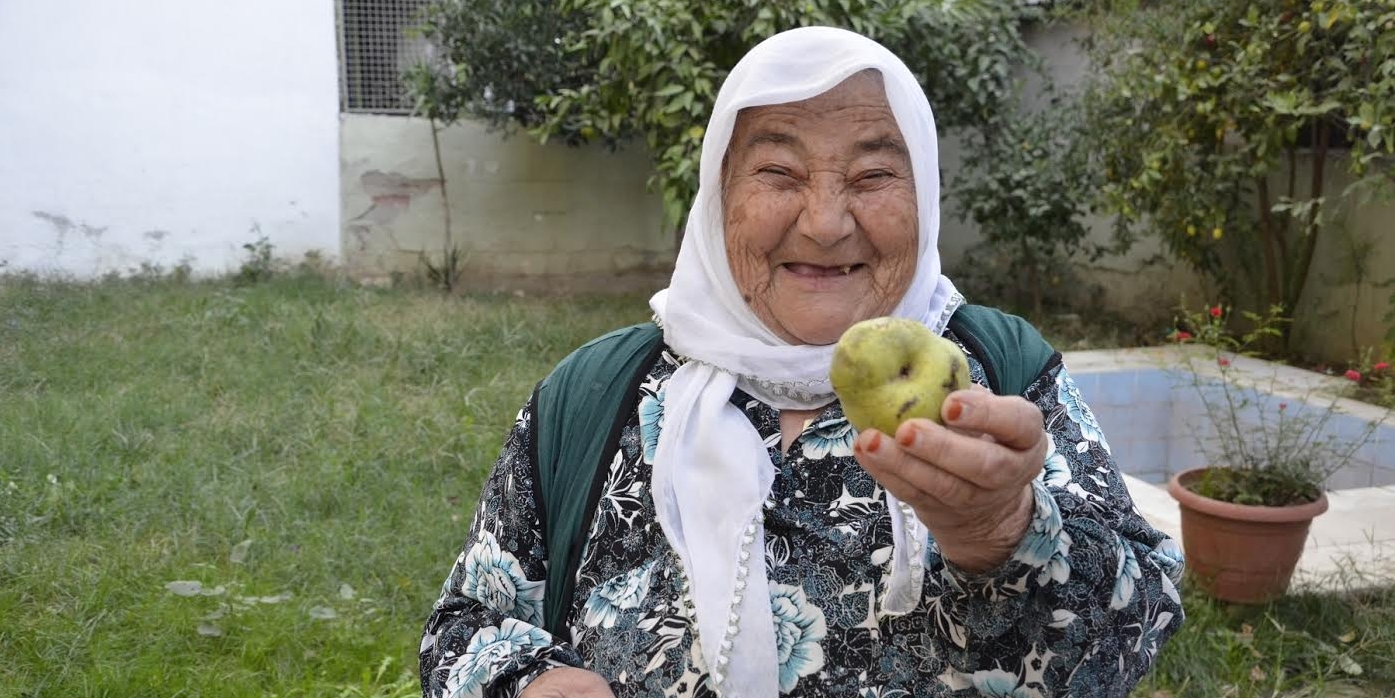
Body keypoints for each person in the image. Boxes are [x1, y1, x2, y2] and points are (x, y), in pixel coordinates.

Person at [419, 26, 1184, 698]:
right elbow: (466, 623)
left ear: (925, 193)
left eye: (873, 176)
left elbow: (1134, 628)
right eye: (778, 174)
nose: (823, 225)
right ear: (719, 196)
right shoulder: (595, 392)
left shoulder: (993, 378)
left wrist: (1005, 532)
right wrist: (526, 680)